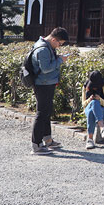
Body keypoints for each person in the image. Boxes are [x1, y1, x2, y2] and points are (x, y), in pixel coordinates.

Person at [30, 27, 70, 155]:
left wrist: (57, 57)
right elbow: (46, 68)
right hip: (43, 84)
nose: (59, 46)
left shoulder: (46, 45)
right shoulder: (42, 48)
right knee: (41, 113)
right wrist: (60, 60)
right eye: (59, 43)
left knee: (46, 112)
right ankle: (36, 145)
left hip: (46, 83)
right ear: (53, 39)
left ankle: (47, 139)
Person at [82, 70, 104, 149]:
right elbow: (83, 104)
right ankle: (102, 128)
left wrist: (100, 100)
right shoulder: (86, 86)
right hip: (89, 108)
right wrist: (89, 99)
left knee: (94, 107)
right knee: (92, 106)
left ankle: (90, 140)